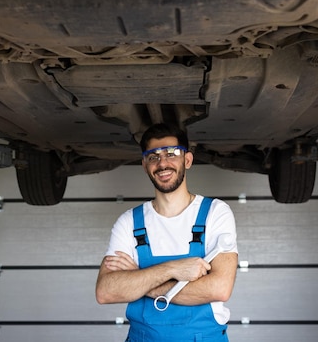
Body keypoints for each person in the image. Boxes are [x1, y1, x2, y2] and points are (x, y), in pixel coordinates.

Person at [96, 123, 238, 342]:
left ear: (187, 160)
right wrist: (173, 269)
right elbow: (106, 291)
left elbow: (219, 289)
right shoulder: (129, 222)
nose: (162, 163)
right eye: (153, 156)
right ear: (144, 165)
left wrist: (139, 279)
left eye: (171, 154)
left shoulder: (215, 213)